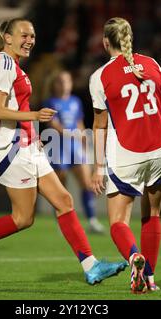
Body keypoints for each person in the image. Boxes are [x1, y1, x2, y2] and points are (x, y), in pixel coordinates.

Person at [0, 18, 127, 285]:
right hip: (14, 148)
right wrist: (32, 118)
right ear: (7, 37)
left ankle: (91, 266)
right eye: (24, 35)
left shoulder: (6, 65)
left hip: (24, 143)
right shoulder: (4, 64)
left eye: (33, 36)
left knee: (64, 201)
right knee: (22, 218)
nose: (30, 40)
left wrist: (27, 132)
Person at [89, 17, 161, 294]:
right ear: (130, 38)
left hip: (128, 153)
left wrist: (98, 166)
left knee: (117, 222)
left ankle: (133, 257)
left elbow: (100, 125)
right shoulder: (153, 65)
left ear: (105, 42)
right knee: (152, 216)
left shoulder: (100, 77)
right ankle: (149, 278)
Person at [43, 70, 105, 234]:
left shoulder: (75, 101)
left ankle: (92, 221)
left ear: (71, 84)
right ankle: (61, 223)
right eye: (60, 82)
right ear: (54, 85)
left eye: (66, 81)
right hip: (58, 147)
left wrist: (83, 138)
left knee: (87, 185)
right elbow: (53, 125)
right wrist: (73, 134)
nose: (64, 85)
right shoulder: (50, 102)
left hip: (75, 146)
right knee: (60, 188)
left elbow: (79, 123)